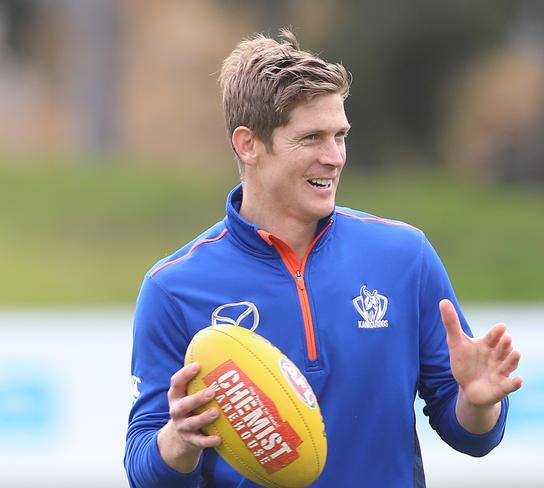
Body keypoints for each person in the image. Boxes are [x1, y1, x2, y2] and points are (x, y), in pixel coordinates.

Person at [124, 29, 523, 488]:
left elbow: (472, 436)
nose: (334, 157)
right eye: (311, 138)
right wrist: (180, 440)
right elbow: (144, 469)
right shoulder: (174, 288)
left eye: (340, 136)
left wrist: (477, 402)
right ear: (248, 144)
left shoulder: (404, 257)